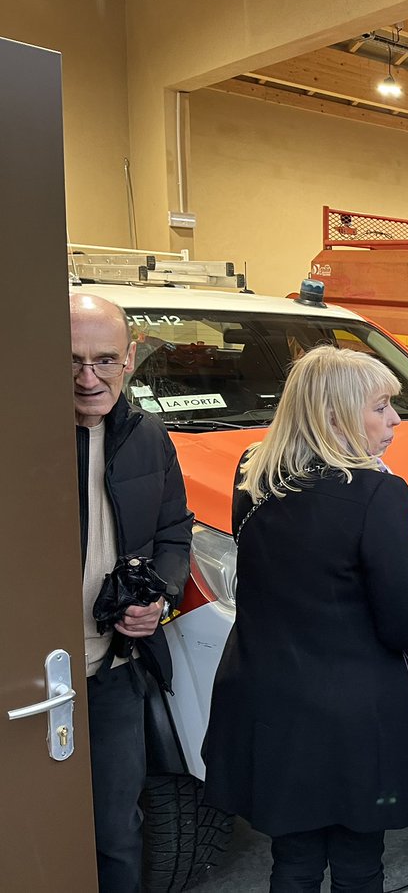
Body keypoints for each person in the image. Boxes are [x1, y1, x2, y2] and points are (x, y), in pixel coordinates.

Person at [203, 345, 408, 892]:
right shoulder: (379, 493)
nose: (395, 420)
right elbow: (403, 620)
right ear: (335, 416)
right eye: (381, 406)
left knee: (293, 859)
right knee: (358, 862)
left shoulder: (254, 474)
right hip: (351, 714)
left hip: (268, 699)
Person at [71, 293, 193, 893]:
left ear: (130, 358)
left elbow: (174, 533)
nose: (88, 378)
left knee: (116, 829)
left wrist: (159, 598)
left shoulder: (149, 437)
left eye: (104, 360)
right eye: (71, 360)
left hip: (115, 670)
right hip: (35, 680)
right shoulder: (19, 438)